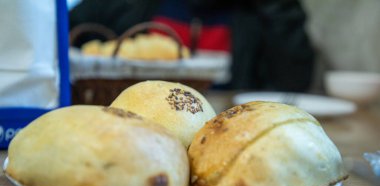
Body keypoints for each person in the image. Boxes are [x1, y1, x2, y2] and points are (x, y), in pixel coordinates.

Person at [69, 0, 314, 92]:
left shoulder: (255, 16)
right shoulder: (130, 6)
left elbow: (293, 83)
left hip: (225, 128)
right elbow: (60, 30)